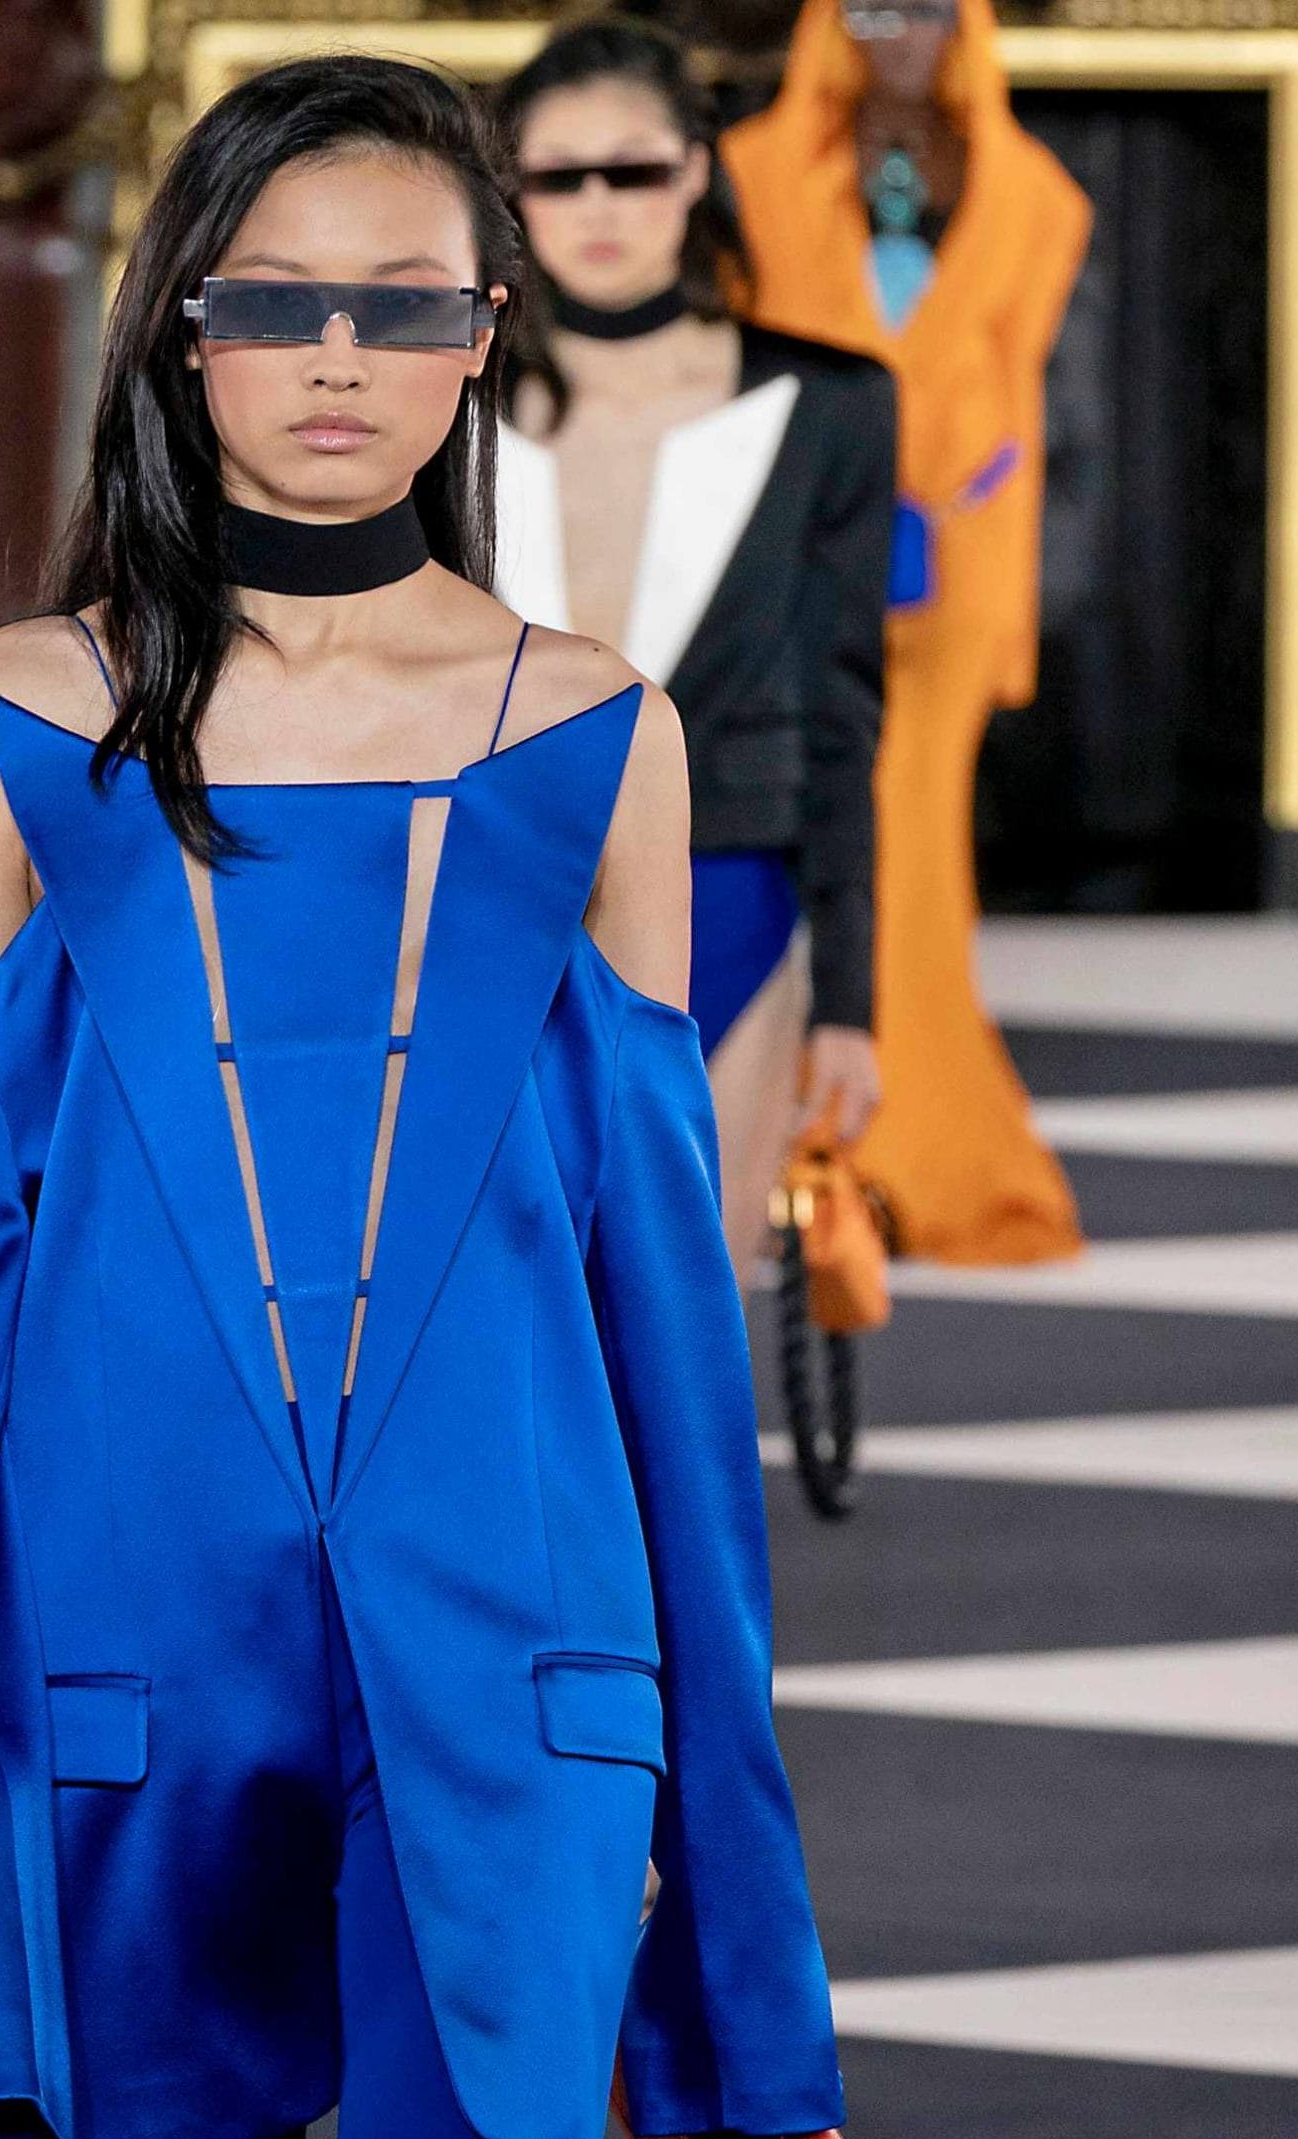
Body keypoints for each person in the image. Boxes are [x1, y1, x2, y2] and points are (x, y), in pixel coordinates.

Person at [0, 54, 841, 2139]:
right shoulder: (18, 725)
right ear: (178, 332)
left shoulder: (590, 734)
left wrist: (745, 1996)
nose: (336, 356)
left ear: (485, 337)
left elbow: (661, 1345)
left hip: (515, 1651)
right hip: (134, 1657)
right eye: (272, 302)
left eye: (399, 303)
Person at [493, 16, 893, 1276]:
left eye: (633, 169)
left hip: (727, 889)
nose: (597, 206)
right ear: (510, 193)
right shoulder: (439, 402)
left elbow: (843, 711)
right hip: (473, 891)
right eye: (558, 175)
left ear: (695, 173)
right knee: (494, 1307)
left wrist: (850, 1005)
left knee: (686, 1305)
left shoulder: (826, 405)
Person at [724, 0, 1089, 1263]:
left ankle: (902, 1142)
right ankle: (771, 1134)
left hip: (949, 560)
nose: (897, 35)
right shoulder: (753, 176)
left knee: (908, 845)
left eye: (925, 8)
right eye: (868, 8)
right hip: (792, 552)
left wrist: (982, 545)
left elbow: (1014, 392)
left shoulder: (1030, 195)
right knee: (782, 831)